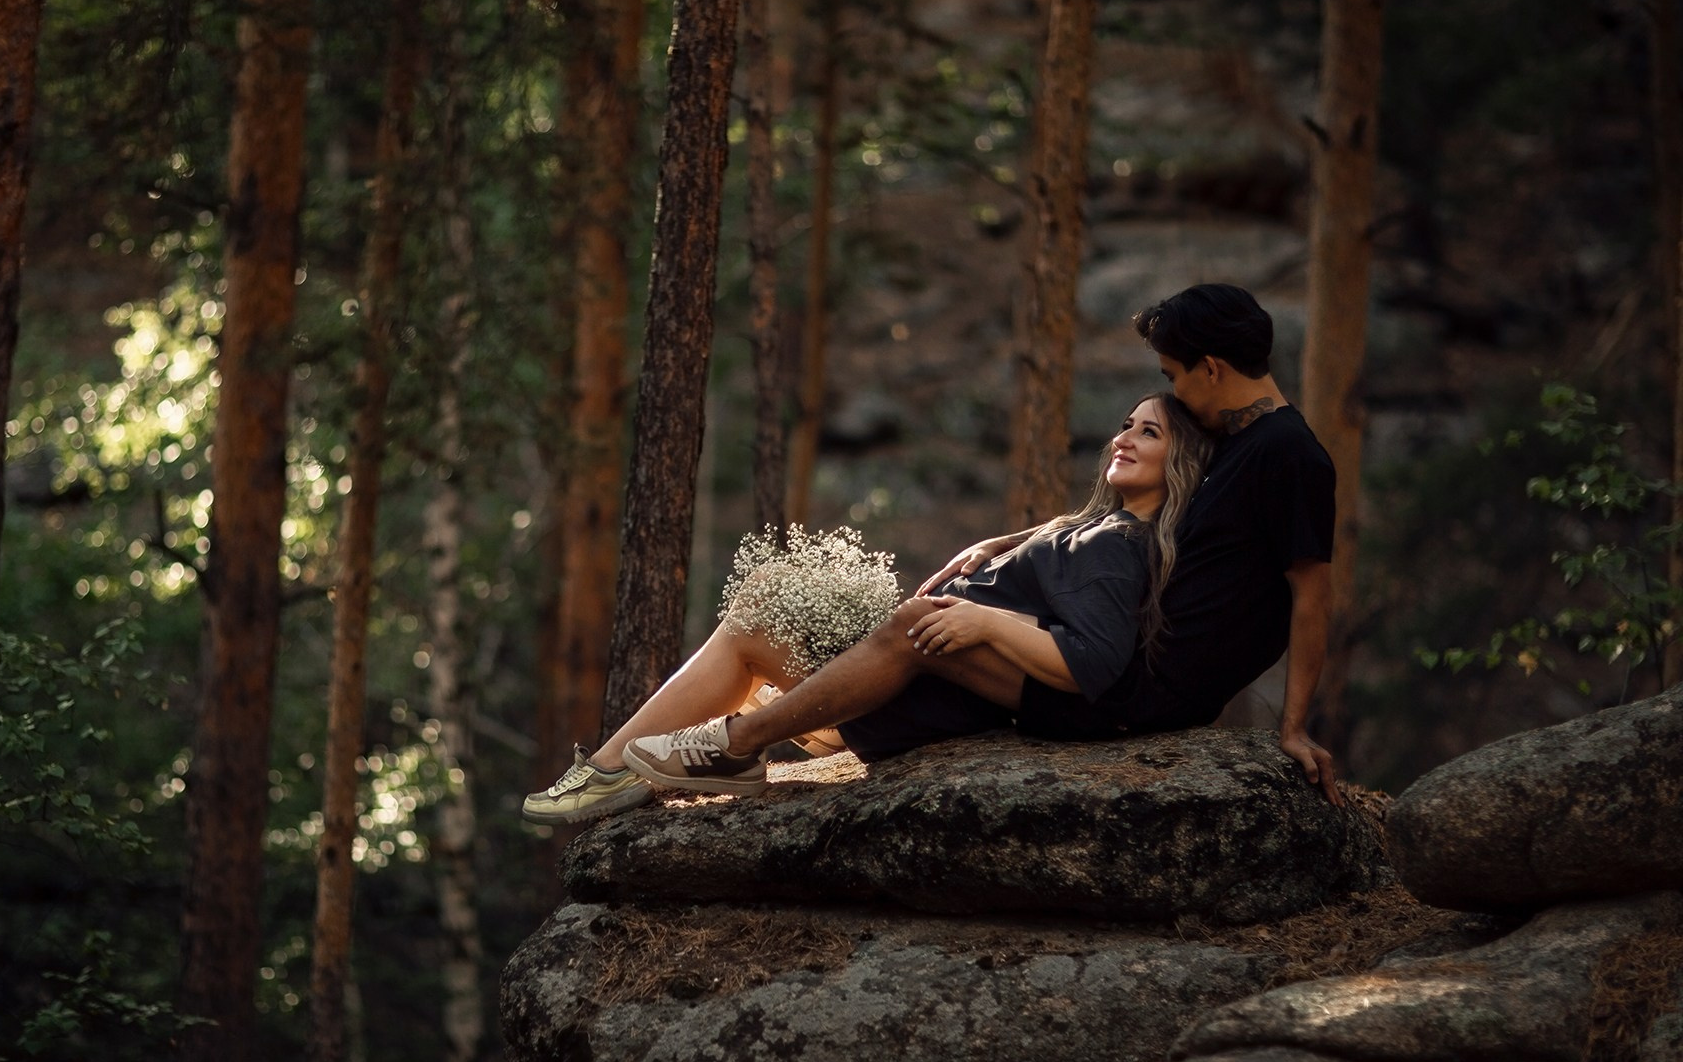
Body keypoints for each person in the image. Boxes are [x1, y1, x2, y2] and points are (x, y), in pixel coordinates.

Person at [522, 392, 1213, 824]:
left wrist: (986, 618)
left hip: (923, 702)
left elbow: (1091, 660)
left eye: (1149, 433)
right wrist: (1004, 546)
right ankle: (613, 774)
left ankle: (623, 771)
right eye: (1125, 424)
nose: (1123, 437)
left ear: (1181, 464)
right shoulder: (1091, 531)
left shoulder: (1116, 544)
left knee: (755, 622)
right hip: (923, 684)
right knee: (762, 601)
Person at [1015, 283, 1341, 803]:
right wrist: (1006, 543)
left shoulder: (1290, 455)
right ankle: (833, 733)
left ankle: (832, 732)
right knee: (942, 633)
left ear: (1210, 368)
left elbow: (1313, 594)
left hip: (1136, 693)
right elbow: (1135, 515)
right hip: (1117, 649)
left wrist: (1293, 726)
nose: (1175, 394)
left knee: (924, 637)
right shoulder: (1229, 440)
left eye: (1174, 376)